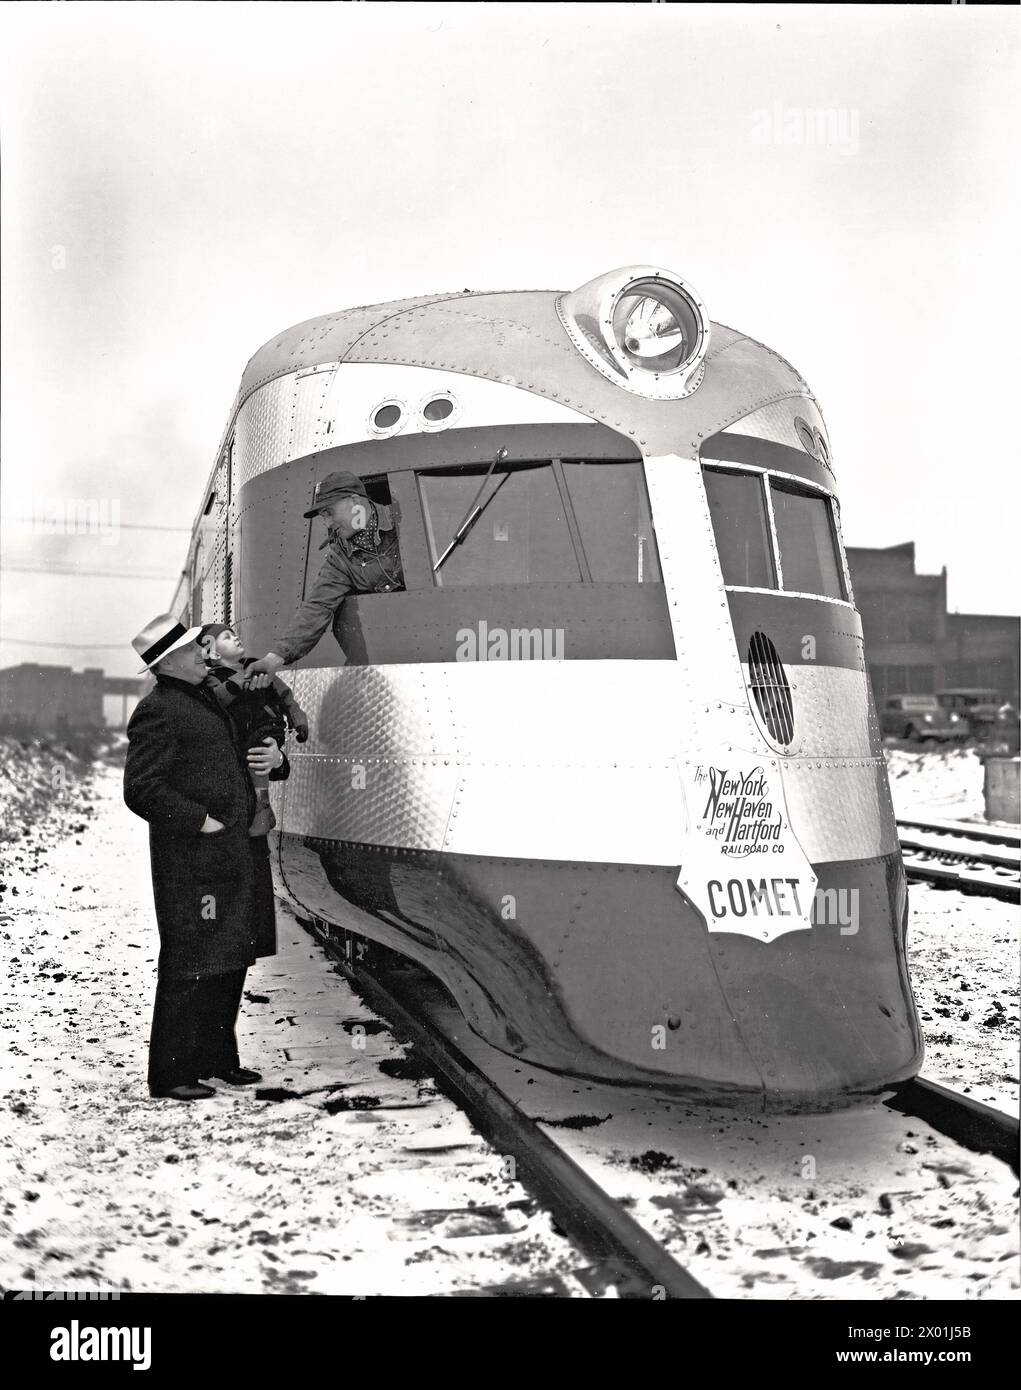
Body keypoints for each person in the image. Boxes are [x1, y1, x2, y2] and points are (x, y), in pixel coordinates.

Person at [123, 613, 288, 1101]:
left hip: (233, 853)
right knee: (190, 963)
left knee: (230, 956)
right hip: (193, 862)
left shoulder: (208, 698)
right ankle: (172, 1075)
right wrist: (201, 821)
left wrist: (276, 760)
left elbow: (253, 747)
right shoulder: (160, 709)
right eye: (197, 650)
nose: (206, 654)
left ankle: (217, 1060)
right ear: (172, 661)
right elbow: (141, 789)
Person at [246, 470, 403, 678]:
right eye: (323, 517)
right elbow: (317, 607)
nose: (328, 524)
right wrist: (273, 659)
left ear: (355, 502)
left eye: (329, 512)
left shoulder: (404, 519)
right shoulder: (339, 558)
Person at [199, 622, 308, 835]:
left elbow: (287, 698)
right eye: (226, 637)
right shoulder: (212, 678)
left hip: (268, 729)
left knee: (259, 756)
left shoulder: (260, 668)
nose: (235, 638)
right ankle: (261, 809)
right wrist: (241, 679)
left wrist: (299, 721)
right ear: (213, 653)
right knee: (255, 759)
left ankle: (261, 809)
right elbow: (216, 699)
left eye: (234, 633)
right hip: (244, 735)